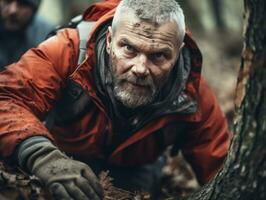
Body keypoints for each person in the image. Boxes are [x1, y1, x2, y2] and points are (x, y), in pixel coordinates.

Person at [0, 0, 231, 199]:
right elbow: (7, 98)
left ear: (178, 53)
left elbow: (224, 169)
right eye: (129, 48)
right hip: (61, 152)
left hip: (136, 168)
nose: (140, 69)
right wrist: (42, 157)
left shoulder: (191, 93)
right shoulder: (69, 50)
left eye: (158, 55)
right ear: (110, 40)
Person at [0, 0, 53, 69]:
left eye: (23, 4)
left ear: (34, 10)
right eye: (8, 1)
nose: (13, 10)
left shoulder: (47, 37)